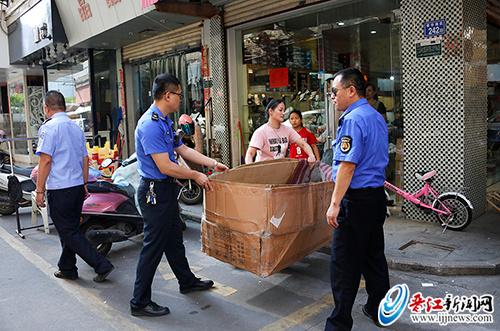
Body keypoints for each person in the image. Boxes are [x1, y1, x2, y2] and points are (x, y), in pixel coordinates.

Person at [130, 73, 229, 317]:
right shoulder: (150, 125)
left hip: (166, 190)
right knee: (153, 248)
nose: (180, 99)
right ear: (167, 95)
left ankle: (187, 281)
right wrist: (195, 176)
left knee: (174, 239)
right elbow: (164, 166)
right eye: (179, 94)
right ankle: (139, 302)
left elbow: (181, 148)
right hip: (155, 191)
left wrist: (212, 163)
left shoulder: (163, 120)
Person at [325, 68, 390, 331]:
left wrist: (334, 203)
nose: (333, 98)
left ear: (351, 91)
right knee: (373, 257)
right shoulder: (375, 116)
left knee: (344, 265)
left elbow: (348, 166)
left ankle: (338, 324)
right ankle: (378, 310)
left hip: (356, 201)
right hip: (375, 199)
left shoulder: (353, 119)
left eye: (335, 92)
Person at [35, 90, 114, 283]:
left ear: (47, 108)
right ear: (63, 106)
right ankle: (68, 268)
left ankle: (101, 264)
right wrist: (85, 183)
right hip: (77, 186)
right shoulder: (75, 128)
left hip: (60, 189)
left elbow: (45, 161)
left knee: (68, 231)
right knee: (69, 229)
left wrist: (39, 190)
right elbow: (85, 159)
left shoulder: (48, 128)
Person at [245, 99, 316, 164]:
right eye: (280, 110)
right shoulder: (261, 132)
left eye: (284, 110)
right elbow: (250, 153)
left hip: (280, 169)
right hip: (264, 171)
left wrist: (311, 155)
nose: (283, 113)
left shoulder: (287, 130)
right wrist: (250, 169)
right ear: (271, 111)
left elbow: (303, 144)